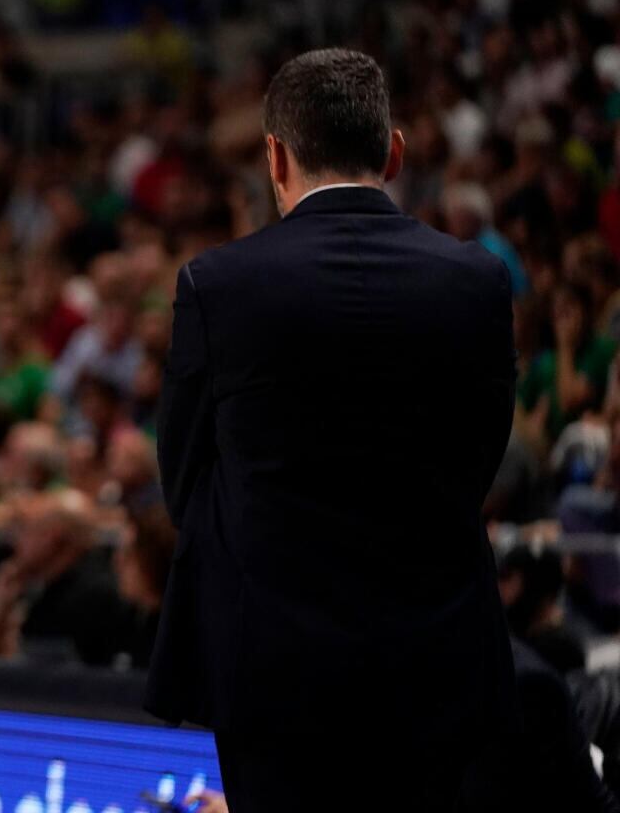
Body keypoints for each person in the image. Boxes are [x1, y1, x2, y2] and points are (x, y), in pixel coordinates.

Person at [146, 48, 517, 809]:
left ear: (274, 158)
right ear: (394, 150)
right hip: (438, 657)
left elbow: (185, 483)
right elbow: (484, 456)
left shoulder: (216, 285)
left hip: (274, 668)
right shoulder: (477, 279)